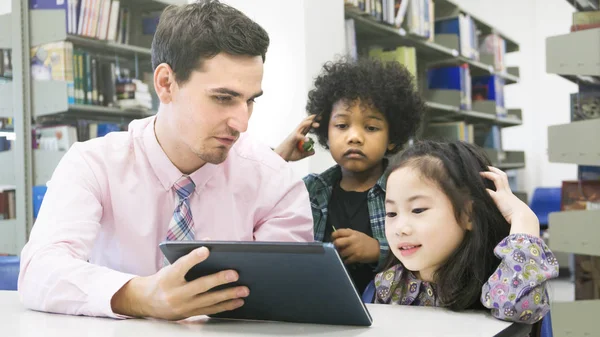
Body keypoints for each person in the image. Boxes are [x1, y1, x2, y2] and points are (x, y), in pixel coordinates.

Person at [18, 0, 314, 320]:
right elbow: (39, 269)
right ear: (165, 84)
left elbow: (285, 299)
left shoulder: (275, 181)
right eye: (223, 98)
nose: (241, 124)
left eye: (249, 101)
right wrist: (138, 296)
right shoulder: (92, 165)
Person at [275, 57, 425, 294]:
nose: (354, 137)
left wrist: (378, 251)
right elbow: (255, 212)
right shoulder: (310, 189)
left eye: (371, 128)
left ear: (393, 137)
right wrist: (278, 158)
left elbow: (430, 251)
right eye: (342, 126)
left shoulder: (407, 190)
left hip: (390, 311)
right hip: (321, 306)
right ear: (325, 131)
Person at [373, 140, 558, 325]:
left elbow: (518, 308)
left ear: (468, 215)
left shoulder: (499, 280)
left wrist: (524, 219)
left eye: (418, 210)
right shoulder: (389, 285)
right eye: (391, 213)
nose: (400, 229)